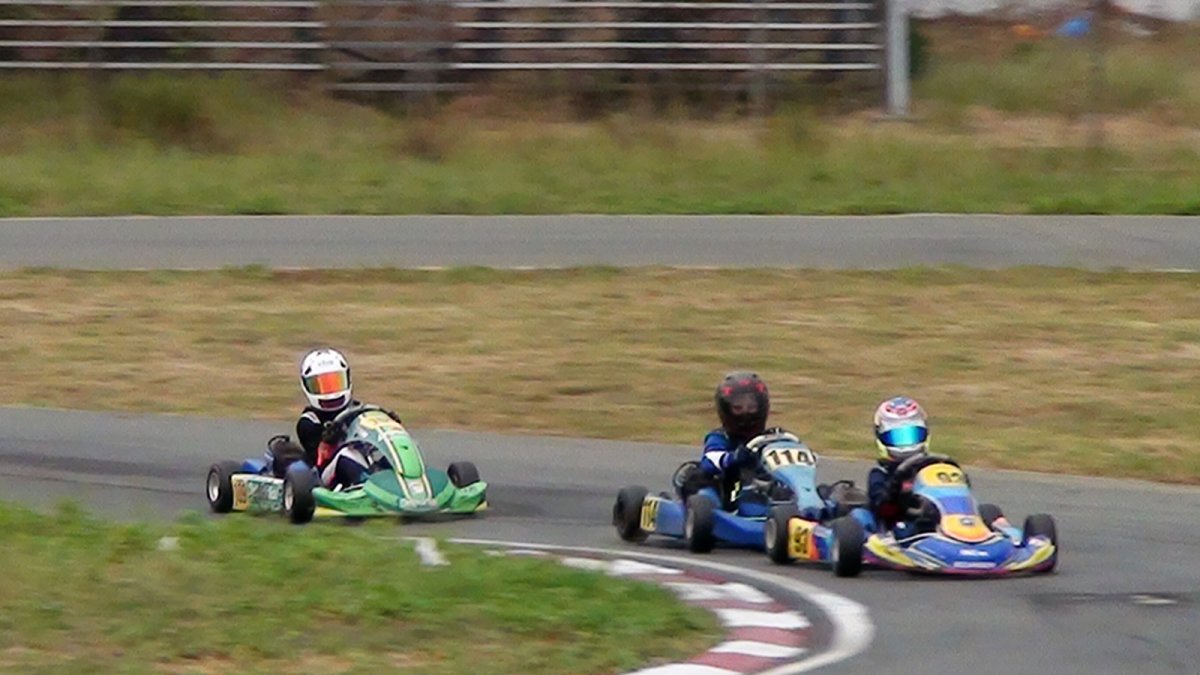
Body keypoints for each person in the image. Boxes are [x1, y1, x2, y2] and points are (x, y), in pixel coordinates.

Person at [265, 348, 401, 488]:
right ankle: (371, 487)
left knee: (394, 452)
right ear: (307, 387)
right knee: (346, 454)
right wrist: (328, 441)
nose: (330, 393)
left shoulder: (358, 410)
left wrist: (389, 426)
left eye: (336, 382)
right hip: (323, 478)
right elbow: (318, 461)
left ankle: (405, 486)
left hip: (363, 464)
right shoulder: (309, 422)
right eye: (322, 385)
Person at [866, 395, 932, 532]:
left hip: (938, 523)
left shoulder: (934, 468)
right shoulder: (880, 475)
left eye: (912, 435)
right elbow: (883, 509)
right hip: (898, 529)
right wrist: (898, 491)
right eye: (898, 437)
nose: (907, 444)